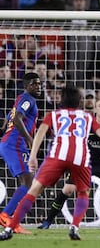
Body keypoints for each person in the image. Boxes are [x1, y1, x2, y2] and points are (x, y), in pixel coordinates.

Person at [0, 85, 100, 241]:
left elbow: (40, 133)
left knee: (34, 190)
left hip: (57, 156)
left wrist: (33, 155)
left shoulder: (53, 115)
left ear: (61, 100)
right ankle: (74, 226)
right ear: (79, 101)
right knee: (83, 192)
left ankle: (9, 229)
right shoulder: (88, 117)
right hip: (80, 158)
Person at [37, 98, 100, 229]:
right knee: (67, 190)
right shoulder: (87, 123)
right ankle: (48, 221)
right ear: (95, 109)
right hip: (85, 162)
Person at [0, 72, 42, 234]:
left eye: (39, 83)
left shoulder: (20, 99)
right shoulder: (27, 100)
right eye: (34, 84)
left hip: (9, 143)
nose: (38, 86)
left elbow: (7, 122)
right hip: (14, 145)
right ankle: (6, 216)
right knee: (29, 182)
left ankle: (11, 219)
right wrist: (31, 140)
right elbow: (17, 119)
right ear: (26, 86)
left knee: (28, 181)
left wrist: (4, 130)